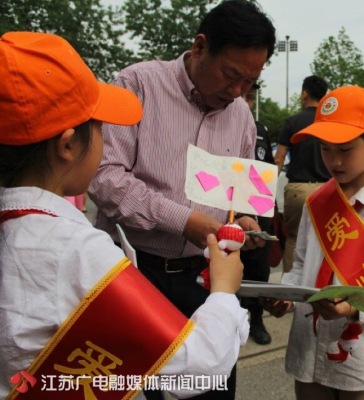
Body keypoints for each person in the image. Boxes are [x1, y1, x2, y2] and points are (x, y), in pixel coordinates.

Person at [0, 31, 249, 400]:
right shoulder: (79, 250)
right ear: (68, 145)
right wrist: (225, 291)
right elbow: (198, 366)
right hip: (155, 275)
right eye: (100, 127)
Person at [87, 1, 276, 399]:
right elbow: (104, 178)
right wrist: (182, 220)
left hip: (205, 281)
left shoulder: (242, 116)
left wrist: (244, 222)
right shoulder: (137, 85)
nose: (238, 92)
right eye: (231, 75)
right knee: (142, 387)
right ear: (200, 46)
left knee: (210, 388)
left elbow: (240, 197)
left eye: (250, 82)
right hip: (136, 276)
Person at [265, 86, 364, 400]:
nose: (334, 161)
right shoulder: (316, 203)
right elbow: (301, 268)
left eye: (345, 149)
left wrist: (352, 308)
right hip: (308, 355)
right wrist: (286, 296)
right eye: (325, 149)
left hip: (361, 360)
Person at [274, 75, 330, 273]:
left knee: (294, 239)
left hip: (298, 190)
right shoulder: (330, 123)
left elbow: (279, 159)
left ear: (305, 94)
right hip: (327, 190)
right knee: (326, 241)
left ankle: (290, 287)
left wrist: (266, 190)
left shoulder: (292, 122)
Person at [240, 84, 275, 345]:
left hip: (258, 210)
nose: (245, 102)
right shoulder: (218, 127)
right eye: (242, 96)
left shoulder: (261, 129)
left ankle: (256, 318)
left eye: (249, 98)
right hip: (226, 212)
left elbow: (268, 170)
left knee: (258, 269)